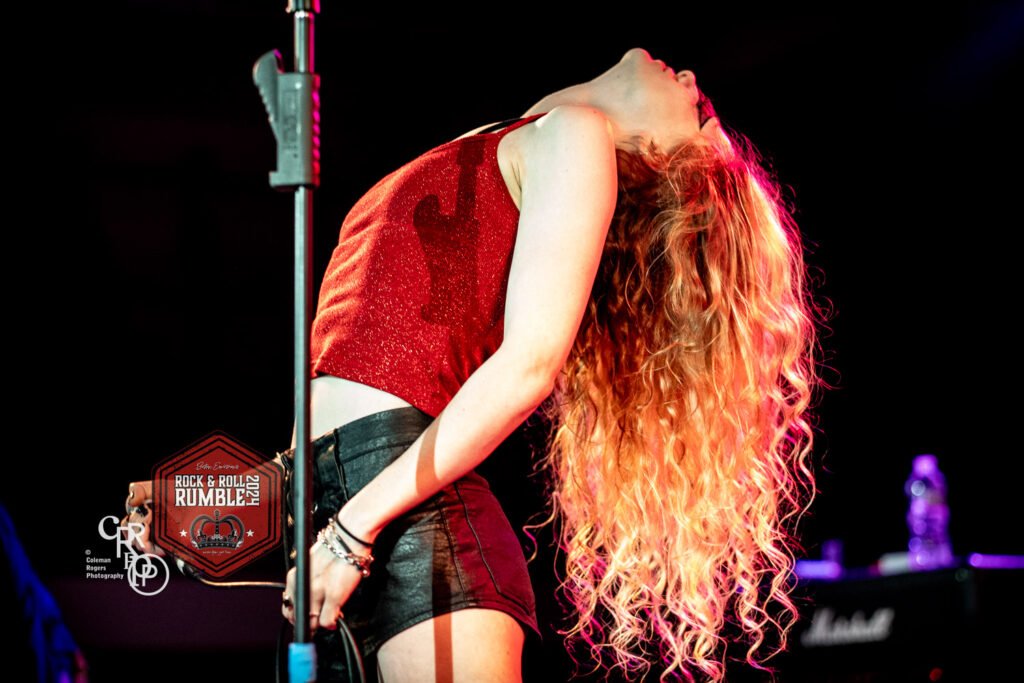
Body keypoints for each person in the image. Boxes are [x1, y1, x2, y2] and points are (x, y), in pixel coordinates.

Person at [128, 45, 820, 682]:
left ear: (657, 155)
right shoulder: (518, 137)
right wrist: (245, 503)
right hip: (345, 502)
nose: (691, 78)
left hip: (409, 526)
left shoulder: (579, 136)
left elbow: (528, 367)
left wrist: (349, 533)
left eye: (699, 110)